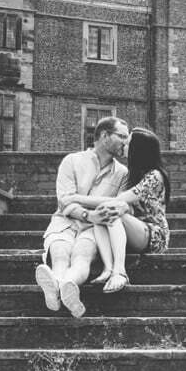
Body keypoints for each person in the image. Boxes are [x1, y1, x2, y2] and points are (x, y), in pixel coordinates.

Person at [34, 116, 130, 317]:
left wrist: (93, 217)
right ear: (104, 136)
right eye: (121, 136)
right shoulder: (72, 161)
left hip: (95, 228)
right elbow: (64, 200)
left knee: (82, 256)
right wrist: (89, 214)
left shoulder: (122, 173)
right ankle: (62, 288)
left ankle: (61, 286)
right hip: (65, 221)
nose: (126, 142)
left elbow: (119, 204)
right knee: (60, 254)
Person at [88, 128, 171, 293]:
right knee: (102, 214)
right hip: (135, 231)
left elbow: (119, 200)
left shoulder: (154, 176)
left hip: (155, 236)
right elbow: (122, 204)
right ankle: (109, 269)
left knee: (109, 210)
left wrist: (75, 199)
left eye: (128, 143)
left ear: (138, 150)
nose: (123, 145)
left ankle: (120, 272)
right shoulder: (132, 174)